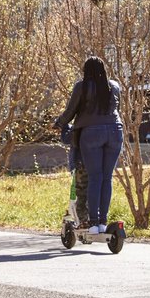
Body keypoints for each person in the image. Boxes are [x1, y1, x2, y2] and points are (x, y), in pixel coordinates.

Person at [55, 57, 123, 235]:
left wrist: (59, 123)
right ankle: (103, 222)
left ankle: (93, 223)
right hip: (115, 132)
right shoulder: (114, 86)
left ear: (86, 70)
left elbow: (70, 111)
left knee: (95, 177)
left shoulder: (82, 86)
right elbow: (118, 109)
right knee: (107, 178)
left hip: (91, 134)